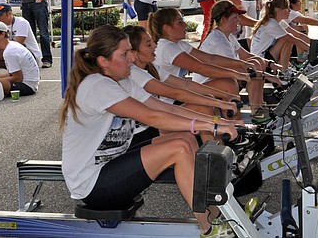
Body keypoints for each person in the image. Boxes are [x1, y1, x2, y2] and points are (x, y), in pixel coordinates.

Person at [58, 26, 238, 237]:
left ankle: (217, 214)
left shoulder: (122, 80)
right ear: (103, 61)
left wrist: (216, 121)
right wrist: (212, 126)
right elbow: (152, 117)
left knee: (184, 138)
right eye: (124, 54)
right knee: (179, 148)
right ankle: (209, 227)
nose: (131, 60)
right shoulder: (96, 85)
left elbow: (166, 108)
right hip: (92, 183)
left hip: (111, 164)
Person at [148, 8, 265, 98]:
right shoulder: (167, 46)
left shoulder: (179, 44)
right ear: (167, 28)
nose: (185, 25)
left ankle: (239, 120)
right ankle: (240, 121)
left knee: (229, 83)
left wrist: (241, 65)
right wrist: (236, 73)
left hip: (180, 92)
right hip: (171, 98)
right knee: (228, 85)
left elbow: (210, 59)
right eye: (180, 22)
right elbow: (200, 67)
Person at [196, 1, 272, 123]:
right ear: (223, 19)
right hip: (205, 84)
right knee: (241, 75)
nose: (238, 21)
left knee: (257, 62)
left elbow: (246, 55)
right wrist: (271, 77)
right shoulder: (219, 40)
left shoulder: (228, 36)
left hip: (217, 78)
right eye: (235, 17)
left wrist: (269, 64)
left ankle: (258, 107)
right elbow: (235, 69)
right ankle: (249, 114)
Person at [0, 22, 40, 100]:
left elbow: (17, 78)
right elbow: (13, 75)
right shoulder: (11, 44)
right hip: (26, 79)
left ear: (2, 34)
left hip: (27, 86)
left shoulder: (9, 52)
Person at [250, 0, 311, 68]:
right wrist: (312, 50)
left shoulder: (279, 22)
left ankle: (286, 66)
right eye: (287, 8)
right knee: (288, 39)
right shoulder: (271, 24)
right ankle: (284, 70)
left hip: (266, 53)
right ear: (278, 10)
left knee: (289, 37)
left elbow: (298, 35)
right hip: (261, 59)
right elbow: (294, 40)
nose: (289, 11)